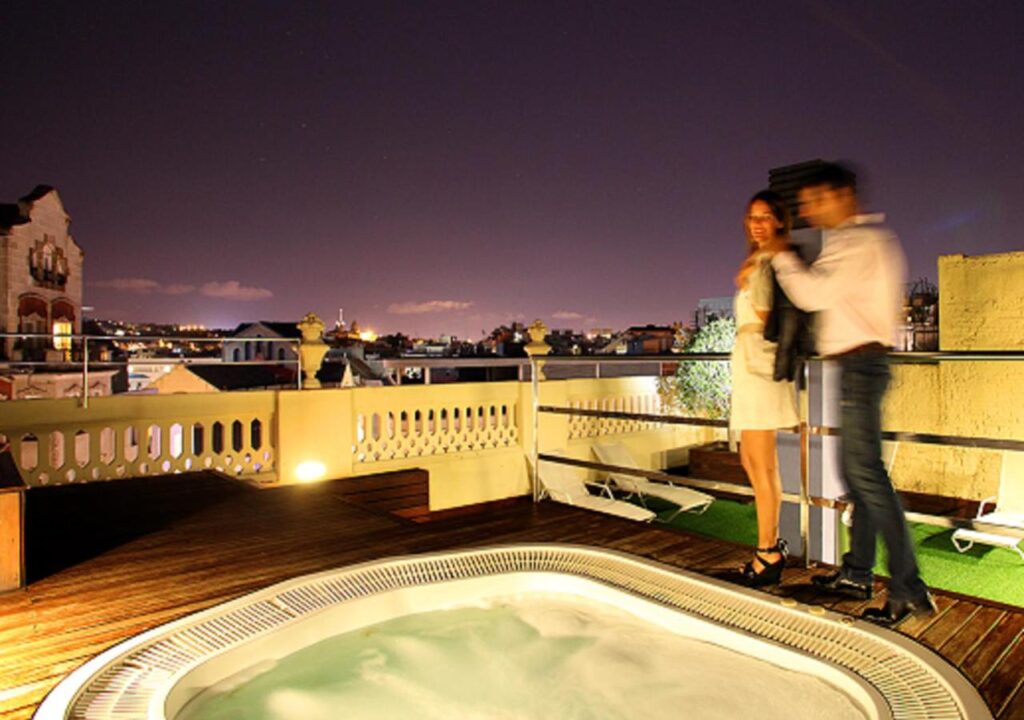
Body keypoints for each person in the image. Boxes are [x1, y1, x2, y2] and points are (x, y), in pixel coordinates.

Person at [768, 161, 936, 625]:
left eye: (815, 201)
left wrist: (781, 255)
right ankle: (858, 572)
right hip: (861, 367)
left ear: (842, 196)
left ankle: (908, 588)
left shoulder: (855, 242)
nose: (808, 211)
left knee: (867, 478)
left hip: (860, 366)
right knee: (859, 477)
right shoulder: (867, 240)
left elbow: (812, 295)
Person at [729, 190, 800, 587]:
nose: (756, 224)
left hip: (760, 362)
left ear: (779, 221)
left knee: (762, 464)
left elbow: (768, 313)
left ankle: (768, 552)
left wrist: (752, 277)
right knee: (751, 460)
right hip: (750, 364)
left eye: (765, 217)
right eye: (752, 217)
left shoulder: (774, 260)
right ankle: (769, 547)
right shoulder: (760, 260)